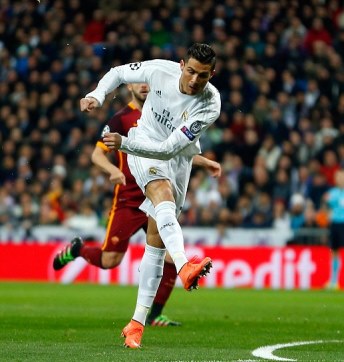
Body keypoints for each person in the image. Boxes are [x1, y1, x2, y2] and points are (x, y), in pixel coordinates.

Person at [80, 43, 222, 348]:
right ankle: (184, 265)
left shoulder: (211, 104)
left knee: (156, 244)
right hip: (143, 144)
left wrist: (123, 143)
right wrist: (97, 94)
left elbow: (172, 148)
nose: (195, 80)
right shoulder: (160, 70)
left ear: (213, 74)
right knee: (162, 195)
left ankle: (136, 324)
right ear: (182, 64)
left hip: (178, 157)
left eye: (204, 76)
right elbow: (118, 73)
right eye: (191, 71)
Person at [53, 83, 217, 327]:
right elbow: (97, 154)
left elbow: (174, 149)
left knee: (172, 258)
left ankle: (155, 314)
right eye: (139, 82)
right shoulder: (120, 119)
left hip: (155, 196)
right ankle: (78, 250)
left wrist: (205, 162)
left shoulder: (162, 113)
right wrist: (112, 170)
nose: (144, 86)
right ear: (129, 85)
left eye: (148, 83)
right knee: (110, 261)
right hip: (128, 200)